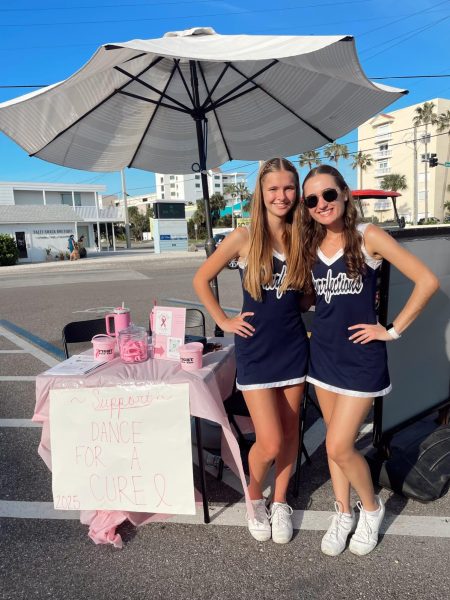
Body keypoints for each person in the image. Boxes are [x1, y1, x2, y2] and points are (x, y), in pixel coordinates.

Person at [300, 164, 439, 557]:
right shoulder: (311, 245)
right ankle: (343, 512)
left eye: (329, 194)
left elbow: (427, 281)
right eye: (312, 200)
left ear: (345, 194)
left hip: (361, 360)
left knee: (341, 444)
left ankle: (372, 509)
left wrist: (391, 330)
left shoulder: (368, 236)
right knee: (331, 444)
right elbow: (317, 299)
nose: (322, 204)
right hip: (322, 357)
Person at [193, 158, 310, 544]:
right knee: (271, 440)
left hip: (293, 347)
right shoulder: (243, 238)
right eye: (273, 188)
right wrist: (224, 321)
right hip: (256, 351)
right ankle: (254, 496)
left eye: (288, 188)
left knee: (291, 432)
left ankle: (279, 503)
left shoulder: (300, 238)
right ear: (261, 192)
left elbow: (303, 300)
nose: (282, 195)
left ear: (297, 191)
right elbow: (201, 279)